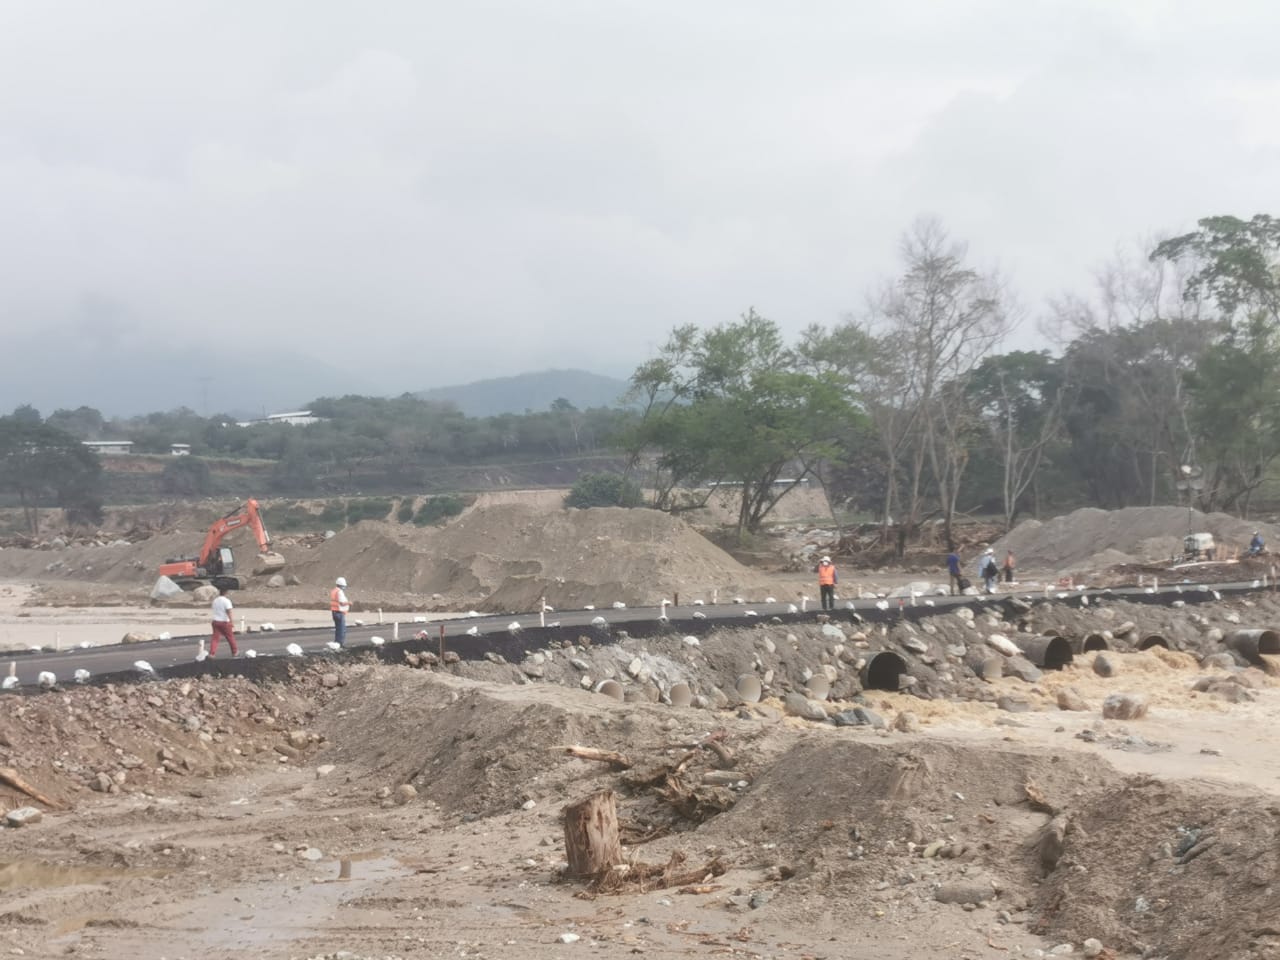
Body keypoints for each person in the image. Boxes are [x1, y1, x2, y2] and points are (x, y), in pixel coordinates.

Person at [209, 585, 238, 657]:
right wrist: (231, 621)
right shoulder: (227, 601)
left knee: (215, 638)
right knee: (230, 637)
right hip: (224, 622)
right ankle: (234, 651)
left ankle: (212, 653)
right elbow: (229, 612)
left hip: (215, 621)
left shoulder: (215, 601)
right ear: (226, 592)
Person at [330, 576, 351, 647]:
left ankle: (336, 643)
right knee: (341, 630)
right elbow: (342, 602)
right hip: (339, 613)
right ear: (342, 585)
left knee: (338, 629)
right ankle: (340, 644)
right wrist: (349, 603)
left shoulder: (333, 591)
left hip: (334, 612)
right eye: (344, 586)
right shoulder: (339, 592)